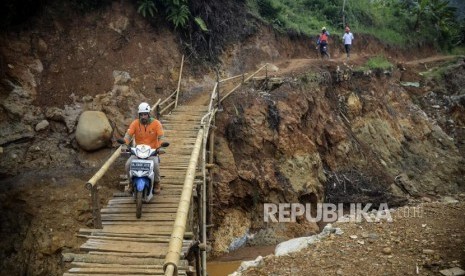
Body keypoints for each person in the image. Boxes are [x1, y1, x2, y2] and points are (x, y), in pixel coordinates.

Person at [123, 102, 164, 194]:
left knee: (156, 165)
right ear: (139, 115)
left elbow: (161, 136)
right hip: (138, 152)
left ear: (149, 114)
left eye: (145, 114)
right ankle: (130, 183)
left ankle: (157, 183)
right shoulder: (135, 123)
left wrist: (160, 147)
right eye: (141, 115)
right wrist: (124, 144)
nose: (143, 117)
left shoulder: (156, 123)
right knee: (127, 165)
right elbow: (128, 135)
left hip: (152, 151)